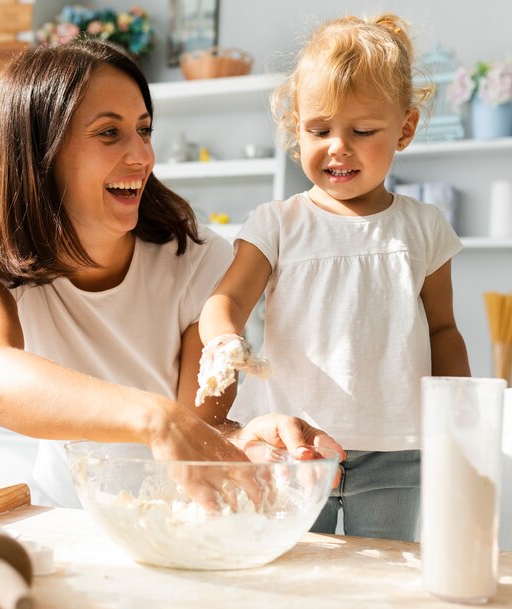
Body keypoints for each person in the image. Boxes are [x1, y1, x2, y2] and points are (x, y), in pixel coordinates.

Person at [0, 39, 342, 508]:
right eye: (109, 133)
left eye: (144, 129)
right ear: (39, 153)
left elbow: (203, 430)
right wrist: (155, 418)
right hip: (66, 516)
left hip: (173, 516)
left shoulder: (196, 261)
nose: (142, 156)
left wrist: (246, 442)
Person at [197, 14, 471, 540]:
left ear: (405, 129)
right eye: (319, 130)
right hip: (293, 446)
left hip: (397, 452)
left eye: (362, 131)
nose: (337, 147)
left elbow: (442, 330)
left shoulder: (424, 226)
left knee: (384, 581)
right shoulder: (277, 223)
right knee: (295, 574)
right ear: (295, 128)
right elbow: (224, 300)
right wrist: (224, 339)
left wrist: (456, 414)